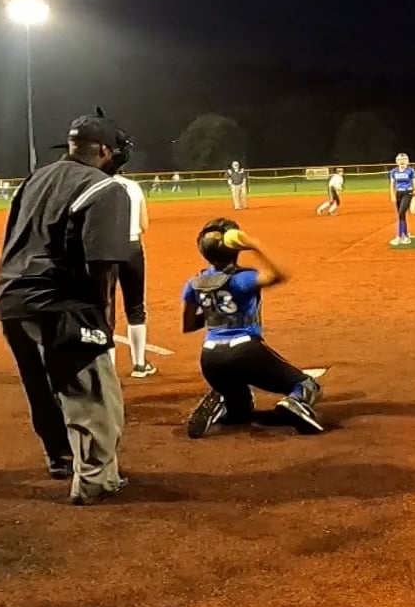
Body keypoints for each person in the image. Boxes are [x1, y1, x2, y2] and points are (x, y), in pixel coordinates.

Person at [0, 112, 137, 505]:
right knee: (93, 397)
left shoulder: (35, 179)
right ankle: (95, 480)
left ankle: (60, 457)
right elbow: (101, 264)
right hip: (61, 302)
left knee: (42, 387)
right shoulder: (105, 188)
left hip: (12, 298)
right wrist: (102, 320)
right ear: (105, 151)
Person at [180, 220, 324, 436]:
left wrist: (216, 312)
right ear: (235, 249)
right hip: (246, 353)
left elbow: (189, 325)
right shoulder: (243, 279)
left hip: (210, 360)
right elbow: (280, 274)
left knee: (242, 410)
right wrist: (254, 245)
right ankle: (294, 402)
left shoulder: (194, 283)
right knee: (307, 385)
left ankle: (225, 403)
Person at [115, 170, 157, 377]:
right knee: (135, 306)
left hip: (104, 249)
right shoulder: (133, 186)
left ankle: (108, 367)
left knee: (103, 307)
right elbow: (144, 225)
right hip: (132, 247)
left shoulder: (93, 184)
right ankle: (139, 364)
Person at [388, 153, 415, 245]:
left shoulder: (411, 171)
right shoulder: (393, 171)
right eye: (400, 160)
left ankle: (401, 236)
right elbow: (392, 185)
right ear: (396, 161)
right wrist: (392, 195)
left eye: (404, 159)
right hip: (399, 193)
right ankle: (403, 234)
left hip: (408, 193)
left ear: (407, 161)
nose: (402, 161)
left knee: (401, 212)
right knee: (401, 215)